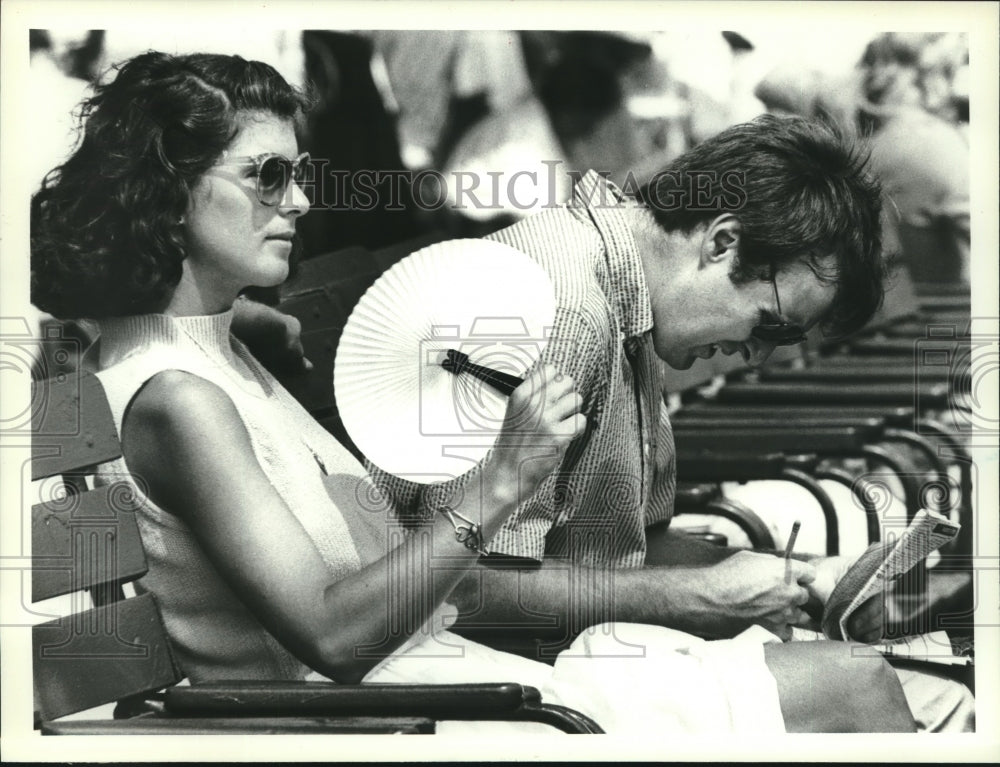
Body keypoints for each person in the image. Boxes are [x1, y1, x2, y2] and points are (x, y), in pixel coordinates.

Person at [31, 51, 946, 735]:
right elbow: (337, 635)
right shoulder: (184, 398)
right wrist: (502, 479)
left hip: (430, 685)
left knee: (870, 676)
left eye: (301, 171)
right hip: (403, 711)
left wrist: (246, 332)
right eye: (267, 175)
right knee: (862, 687)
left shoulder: (215, 358)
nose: (303, 201)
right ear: (169, 189)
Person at [367, 114, 974, 731]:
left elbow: (624, 544)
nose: (759, 353)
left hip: (572, 653)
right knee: (875, 690)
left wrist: (801, 575)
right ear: (721, 242)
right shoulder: (563, 307)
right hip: (494, 683)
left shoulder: (625, 285)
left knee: (939, 698)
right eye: (770, 324)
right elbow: (458, 590)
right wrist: (698, 598)